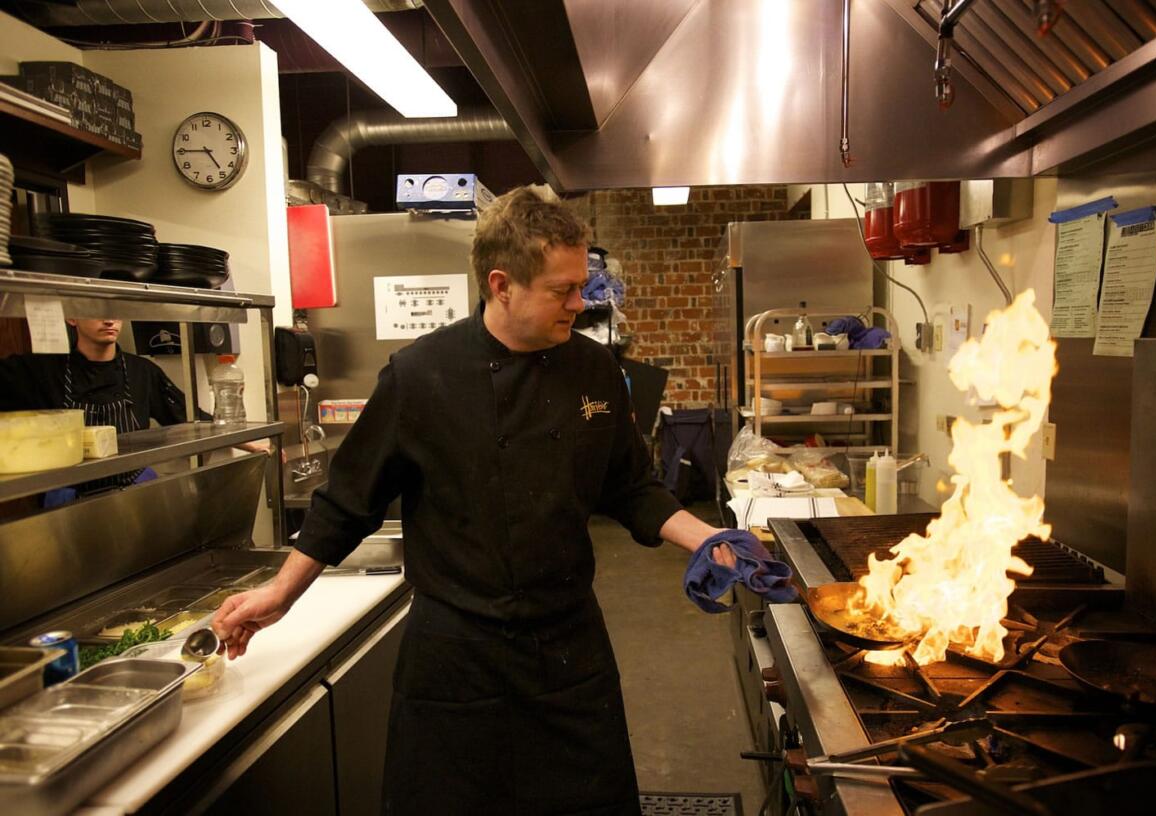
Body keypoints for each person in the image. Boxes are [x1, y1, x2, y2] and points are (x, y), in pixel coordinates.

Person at [213, 187, 749, 815]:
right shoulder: (421, 375)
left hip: (568, 649)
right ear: (502, 284)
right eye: (562, 290)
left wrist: (708, 539)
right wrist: (281, 593)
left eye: (582, 287)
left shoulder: (594, 371)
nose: (579, 303)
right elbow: (347, 501)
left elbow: (630, 486)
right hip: (456, 657)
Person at [0, 318, 209, 498]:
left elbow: (193, 420)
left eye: (115, 309)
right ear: (72, 317)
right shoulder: (42, 371)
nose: (109, 319)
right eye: (96, 308)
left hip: (135, 495)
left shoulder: (142, 372)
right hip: (68, 504)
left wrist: (239, 440)